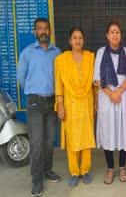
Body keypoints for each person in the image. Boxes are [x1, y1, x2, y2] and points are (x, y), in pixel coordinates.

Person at [17, 17, 61, 197]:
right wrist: (33, 90)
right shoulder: (27, 53)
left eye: (46, 28)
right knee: (36, 143)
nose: (43, 31)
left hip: (52, 102)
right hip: (35, 102)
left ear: (50, 31)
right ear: (35, 32)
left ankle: (47, 170)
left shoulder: (57, 53)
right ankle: (36, 180)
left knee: (49, 140)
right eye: (40, 29)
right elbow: (21, 78)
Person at [54, 27, 96, 187]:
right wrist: (60, 104)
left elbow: (95, 84)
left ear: (83, 40)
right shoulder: (61, 60)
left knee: (85, 138)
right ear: (69, 41)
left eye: (80, 37)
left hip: (86, 102)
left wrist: (96, 101)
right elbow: (58, 83)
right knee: (72, 140)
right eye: (75, 38)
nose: (78, 41)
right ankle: (74, 172)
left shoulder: (90, 57)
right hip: (69, 105)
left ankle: (84, 170)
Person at [94, 22, 126, 184]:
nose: (115, 34)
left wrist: (118, 92)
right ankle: (110, 168)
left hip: (123, 97)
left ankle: (122, 166)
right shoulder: (101, 52)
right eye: (112, 32)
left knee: (123, 130)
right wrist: (111, 93)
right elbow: (96, 78)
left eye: (117, 31)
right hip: (106, 98)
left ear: (120, 34)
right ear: (107, 35)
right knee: (108, 131)